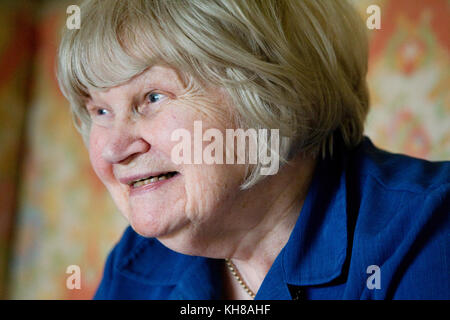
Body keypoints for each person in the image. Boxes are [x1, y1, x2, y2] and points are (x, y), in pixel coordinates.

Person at [57, 0, 449, 299]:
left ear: (276, 91)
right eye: (100, 110)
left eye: (153, 96)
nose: (112, 148)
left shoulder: (428, 231)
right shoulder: (138, 264)